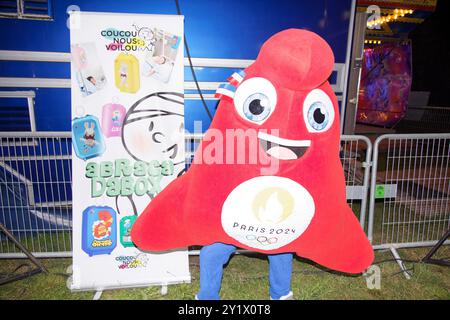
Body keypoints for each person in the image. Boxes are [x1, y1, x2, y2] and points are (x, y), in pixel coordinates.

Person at [196, 242, 294, 300]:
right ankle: (208, 297)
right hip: (237, 227)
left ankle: (281, 295)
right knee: (210, 253)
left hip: (272, 230)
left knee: (282, 253)